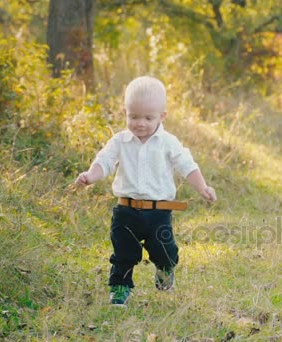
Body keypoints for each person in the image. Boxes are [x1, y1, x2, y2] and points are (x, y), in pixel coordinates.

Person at [75, 76, 216, 306]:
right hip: (126, 210)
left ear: (162, 116)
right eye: (134, 117)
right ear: (126, 112)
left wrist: (203, 187)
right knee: (124, 252)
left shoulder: (168, 143)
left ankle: (165, 269)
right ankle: (120, 287)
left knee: (164, 249)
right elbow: (105, 161)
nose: (140, 123)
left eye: (148, 118)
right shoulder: (120, 141)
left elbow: (186, 165)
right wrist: (91, 176)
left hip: (158, 212)